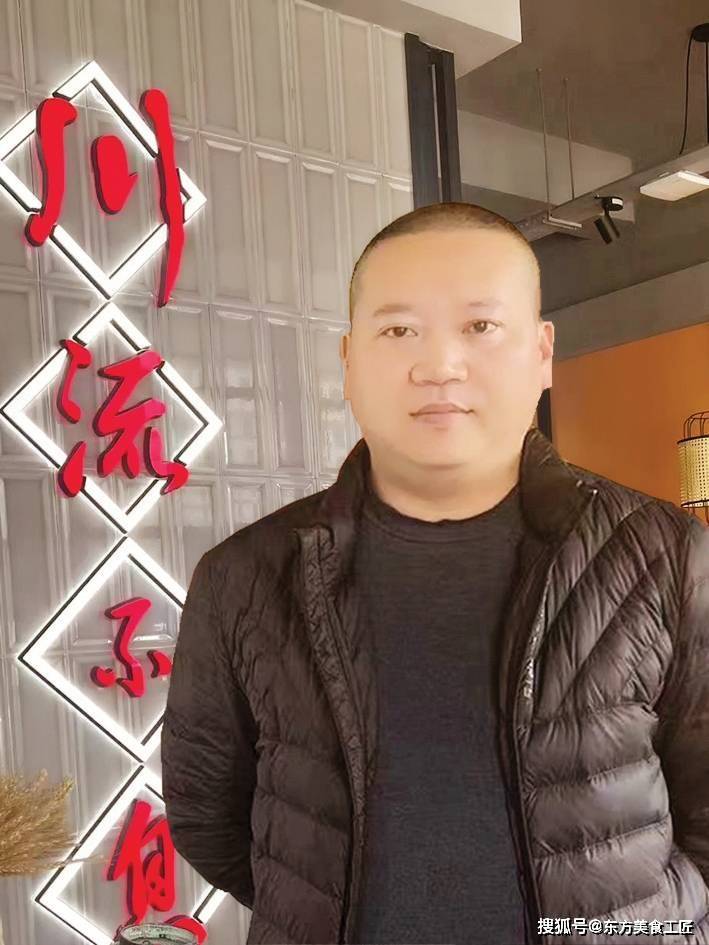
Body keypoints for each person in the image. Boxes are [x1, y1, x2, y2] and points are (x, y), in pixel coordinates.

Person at [161, 202, 709, 945]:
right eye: (398, 331)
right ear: (348, 362)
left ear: (541, 352)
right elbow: (208, 813)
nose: (439, 365)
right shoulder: (244, 576)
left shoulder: (664, 553)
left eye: (480, 326)